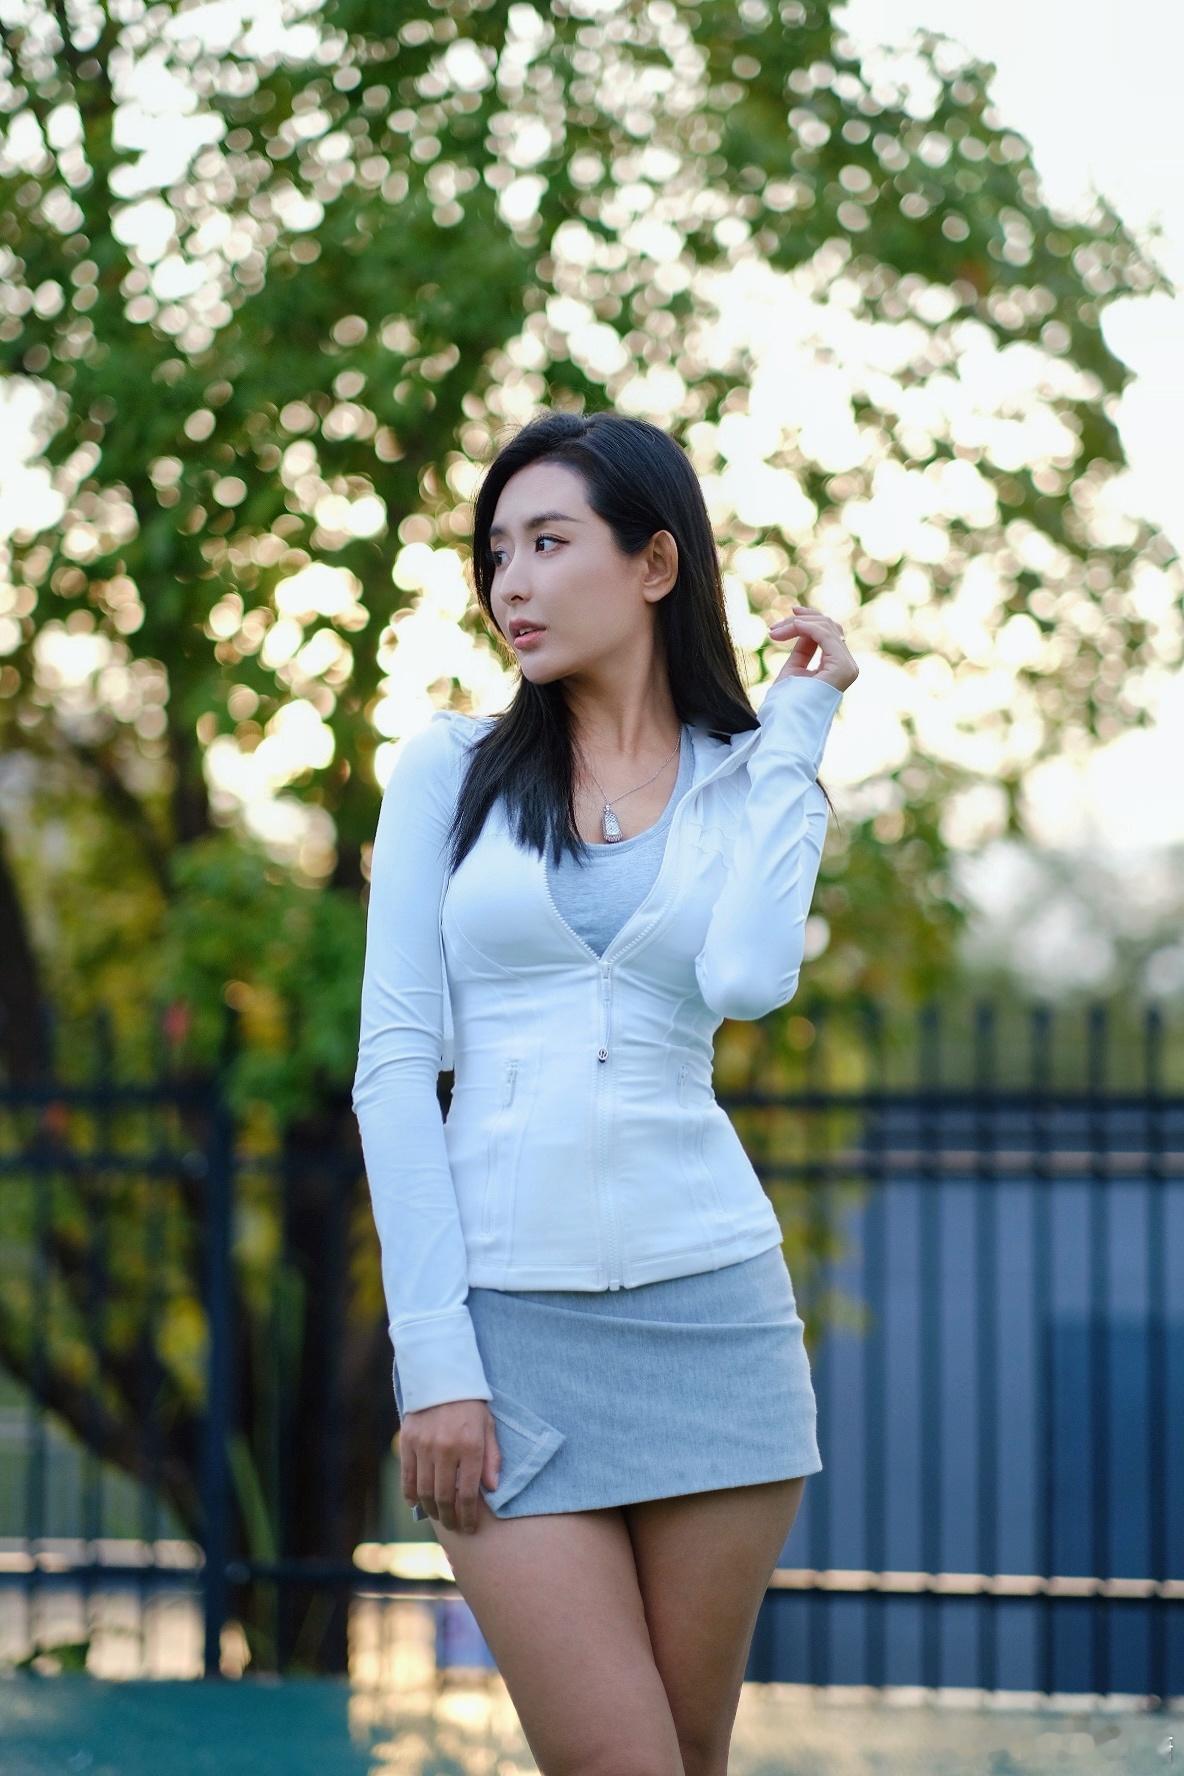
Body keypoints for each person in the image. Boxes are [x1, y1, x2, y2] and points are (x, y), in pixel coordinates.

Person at [352, 409, 858, 1775]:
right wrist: (436, 1363)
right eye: (496, 552)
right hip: (505, 1338)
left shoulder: (751, 778)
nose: (509, 582)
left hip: (716, 1323)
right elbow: (393, 1071)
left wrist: (796, 733)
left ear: (654, 563)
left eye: (547, 542)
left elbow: (747, 980)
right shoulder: (450, 770)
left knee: (688, 1757)